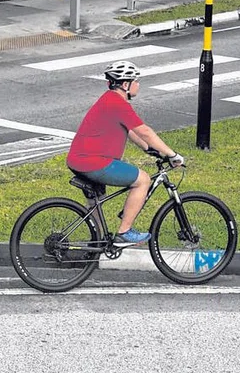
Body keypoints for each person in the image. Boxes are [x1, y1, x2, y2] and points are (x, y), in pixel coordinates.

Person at [66, 61, 184, 246]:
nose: (138, 84)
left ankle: (97, 242)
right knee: (143, 180)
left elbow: (130, 131)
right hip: (95, 162)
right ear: (125, 84)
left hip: (79, 160)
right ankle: (124, 232)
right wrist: (171, 154)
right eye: (136, 80)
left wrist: (149, 149)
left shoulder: (109, 99)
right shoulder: (118, 103)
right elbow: (144, 131)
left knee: (95, 202)